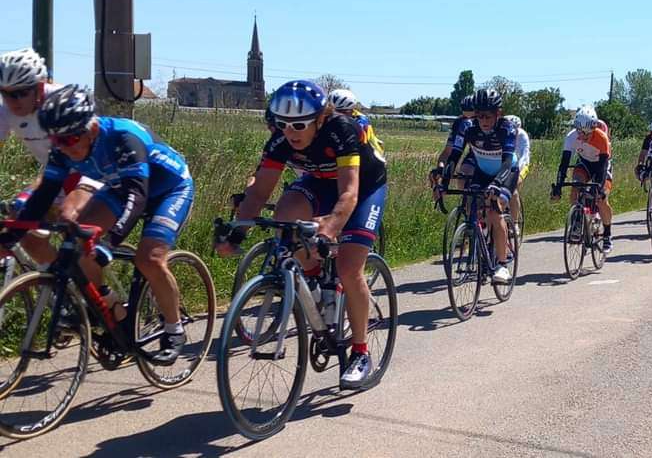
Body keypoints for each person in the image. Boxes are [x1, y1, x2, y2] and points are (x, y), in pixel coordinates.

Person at [0, 84, 195, 365]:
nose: (64, 148)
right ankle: (108, 307)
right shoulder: (63, 148)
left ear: (91, 129)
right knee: (81, 243)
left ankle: (174, 329)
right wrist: (11, 237)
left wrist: (109, 242)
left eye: (70, 139)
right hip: (120, 188)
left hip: (168, 189)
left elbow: (137, 197)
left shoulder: (123, 138)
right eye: (56, 141)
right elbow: (42, 196)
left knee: (149, 259)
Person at [216, 80, 387, 389]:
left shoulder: (341, 130)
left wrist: (329, 229)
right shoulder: (281, 140)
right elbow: (258, 194)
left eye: (298, 125)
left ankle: (360, 353)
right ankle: (314, 277)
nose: (290, 132)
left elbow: (348, 194)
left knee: (349, 268)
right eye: (282, 124)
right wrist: (237, 233)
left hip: (364, 188)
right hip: (319, 181)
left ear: (320, 118)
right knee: (284, 217)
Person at [0, 48, 100, 262]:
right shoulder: (4, 110)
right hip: (54, 177)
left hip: (89, 174)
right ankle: (57, 280)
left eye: (20, 93)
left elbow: (96, 145)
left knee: (79, 244)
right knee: (24, 230)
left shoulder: (64, 101)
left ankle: (92, 282)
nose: (13, 101)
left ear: (39, 86)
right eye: (5, 93)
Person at [431, 88, 517, 283]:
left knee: (495, 210)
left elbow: (506, 161)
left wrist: (497, 184)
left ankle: (502, 264)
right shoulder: (468, 128)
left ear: (498, 113)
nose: (483, 120)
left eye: (488, 116)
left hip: (506, 172)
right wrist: (444, 183)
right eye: (479, 116)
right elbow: (454, 156)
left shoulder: (507, 128)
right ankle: (483, 241)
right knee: (474, 204)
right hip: (482, 171)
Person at [552, 105, 614, 253]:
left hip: (601, 165)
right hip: (584, 163)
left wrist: (600, 189)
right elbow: (564, 163)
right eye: (579, 131)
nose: (582, 136)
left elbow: (603, 167)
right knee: (576, 186)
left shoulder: (602, 137)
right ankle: (577, 221)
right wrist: (559, 186)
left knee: (601, 199)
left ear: (594, 128)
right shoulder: (571, 137)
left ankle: (607, 234)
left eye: (586, 133)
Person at [505, 115, 530, 233]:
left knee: (513, 187)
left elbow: (524, 156)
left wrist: (516, 171)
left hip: (522, 166)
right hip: (506, 165)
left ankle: (514, 223)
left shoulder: (523, 136)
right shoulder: (503, 133)